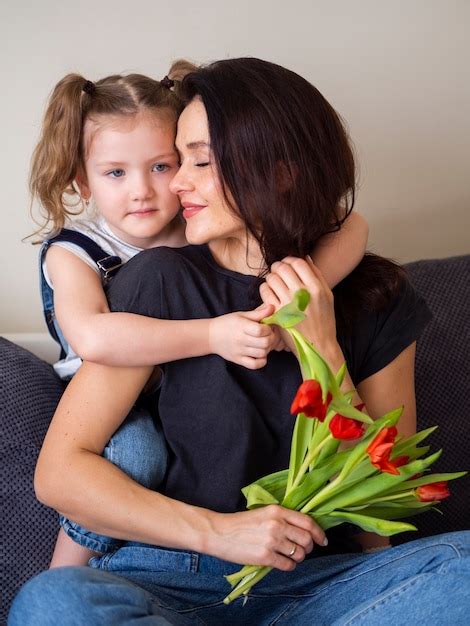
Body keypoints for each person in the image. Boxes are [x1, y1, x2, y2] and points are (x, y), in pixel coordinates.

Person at [10, 57, 470, 625]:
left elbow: (390, 495)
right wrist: (222, 534)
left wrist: (321, 348)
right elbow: (60, 472)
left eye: (198, 161)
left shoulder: (375, 294)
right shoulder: (159, 279)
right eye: (179, 160)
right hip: (176, 577)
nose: (176, 183)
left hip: (325, 584)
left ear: (280, 173)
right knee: (55, 600)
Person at [29, 68, 368, 570]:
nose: (146, 190)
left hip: (304, 558)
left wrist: (302, 302)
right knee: (139, 458)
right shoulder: (80, 251)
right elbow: (94, 338)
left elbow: (351, 221)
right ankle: (67, 569)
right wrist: (213, 334)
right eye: (115, 173)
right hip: (113, 397)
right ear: (84, 179)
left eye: (166, 165)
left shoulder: (190, 231)